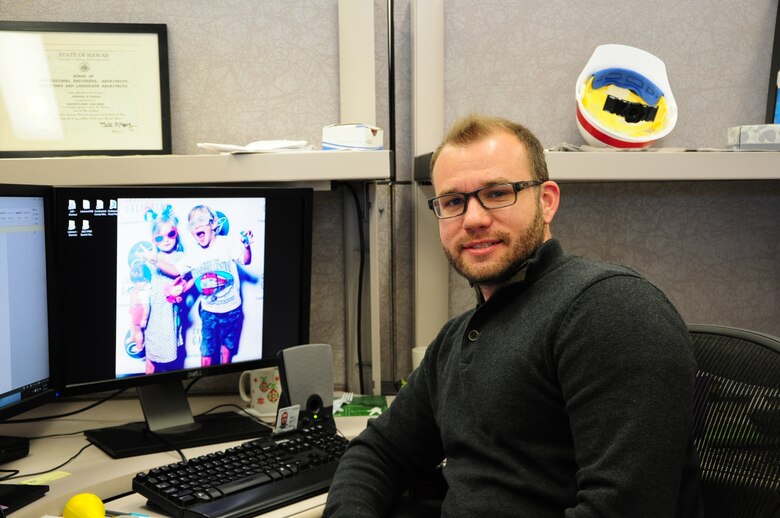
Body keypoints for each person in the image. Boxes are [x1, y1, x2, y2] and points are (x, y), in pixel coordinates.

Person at [324, 114, 703, 517]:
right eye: (453, 201)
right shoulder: (458, 338)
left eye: (498, 193)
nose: (473, 219)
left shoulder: (610, 310)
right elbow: (379, 452)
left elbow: (625, 508)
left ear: (547, 200)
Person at [180, 204, 253, 367]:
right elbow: (183, 272)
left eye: (201, 220)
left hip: (232, 308)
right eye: (192, 224)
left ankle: (224, 373)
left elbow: (246, 260)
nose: (197, 225)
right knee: (206, 350)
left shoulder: (226, 243)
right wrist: (155, 260)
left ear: (213, 224)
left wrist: (247, 246)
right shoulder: (193, 254)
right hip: (209, 311)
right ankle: (203, 378)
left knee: (227, 346)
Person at [142, 205, 187, 374]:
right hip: (154, 318)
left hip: (169, 318)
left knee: (170, 365)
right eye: (159, 238)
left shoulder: (180, 257)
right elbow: (144, 288)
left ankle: (168, 395)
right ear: (154, 240)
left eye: (171, 234)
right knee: (150, 362)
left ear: (176, 234)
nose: (166, 240)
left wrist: (155, 260)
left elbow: (176, 271)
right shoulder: (151, 258)